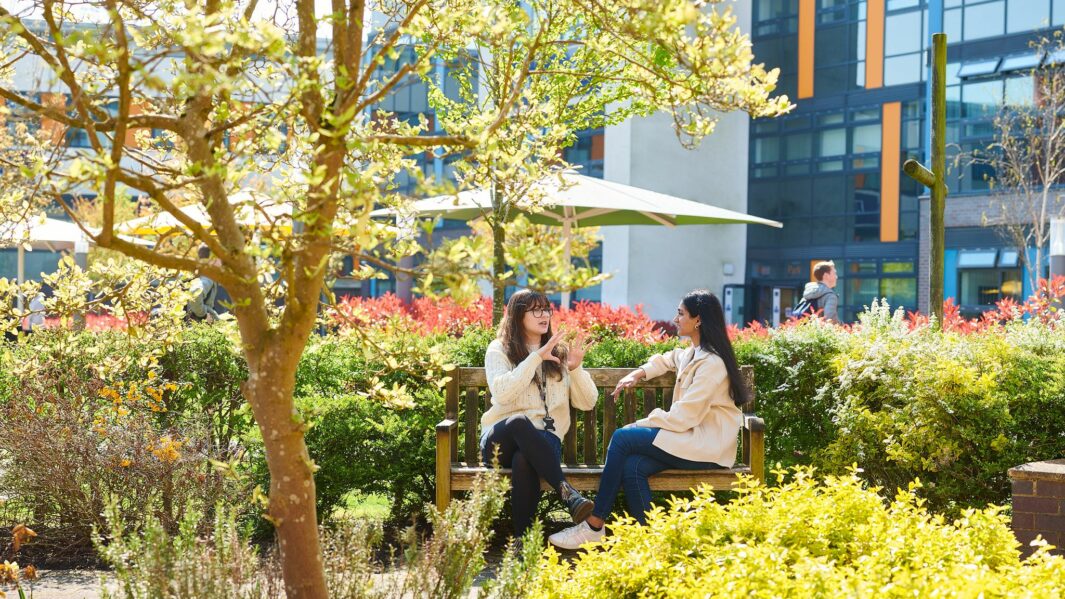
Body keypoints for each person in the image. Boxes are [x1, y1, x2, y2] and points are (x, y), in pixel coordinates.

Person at [548, 290, 748, 550]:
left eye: (681, 314)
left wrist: (641, 424)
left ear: (698, 320)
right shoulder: (694, 353)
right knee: (633, 466)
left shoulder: (712, 364)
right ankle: (653, 542)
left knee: (622, 438)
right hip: (689, 440)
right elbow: (669, 358)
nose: (675, 319)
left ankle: (594, 524)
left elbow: (685, 416)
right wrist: (639, 373)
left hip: (707, 446)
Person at [481, 289, 598, 538]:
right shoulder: (499, 349)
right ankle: (567, 491)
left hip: (544, 443)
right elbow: (502, 394)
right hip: (499, 442)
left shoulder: (559, 352)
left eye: (546, 309)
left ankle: (524, 543)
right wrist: (535, 358)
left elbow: (588, 402)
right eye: (535, 310)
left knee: (524, 459)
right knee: (518, 422)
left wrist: (575, 370)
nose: (544, 315)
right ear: (517, 315)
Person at [185, 245, 219, 322]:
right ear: (212, 258)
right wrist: (203, 315)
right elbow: (194, 292)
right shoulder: (208, 276)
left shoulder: (195, 272)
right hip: (201, 324)